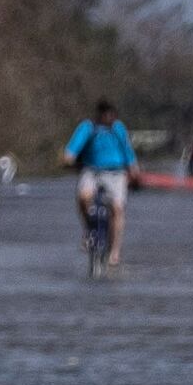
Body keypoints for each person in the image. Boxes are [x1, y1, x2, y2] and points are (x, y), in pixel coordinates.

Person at [60, 98, 133, 275]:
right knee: (84, 196)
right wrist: (68, 158)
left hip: (116, 173)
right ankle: (88, 229)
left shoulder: (118, 129)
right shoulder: (88, 127)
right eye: (105, 114)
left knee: (117, 209)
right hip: (91, 171)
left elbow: (128, 152)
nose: (109, 118)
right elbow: (72, 150)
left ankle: (114, 252)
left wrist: (134, 170)